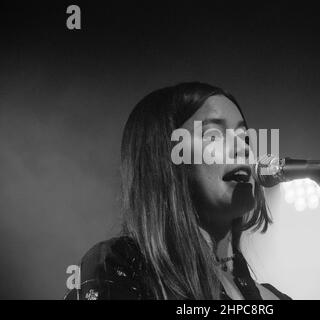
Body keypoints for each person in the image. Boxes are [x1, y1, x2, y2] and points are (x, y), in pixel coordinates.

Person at [65, 82, 291, 300]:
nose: (242, 148)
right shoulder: (117, 266)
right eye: (213, 136)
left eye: (245, 137)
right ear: (165, 158)